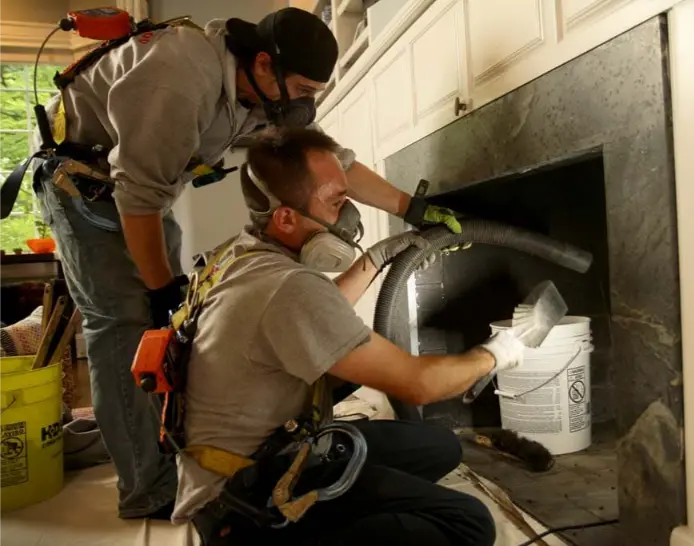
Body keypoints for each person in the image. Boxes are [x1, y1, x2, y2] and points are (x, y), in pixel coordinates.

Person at [32, 8, 461, 520]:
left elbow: (331, 163)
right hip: (83, 185)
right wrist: (162, 289)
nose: (306, 103)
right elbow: (138, 195)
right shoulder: (181, 76)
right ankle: (146, 487)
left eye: (315, 92)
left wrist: (410, 209)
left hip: (140, 191)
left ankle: (161, 447)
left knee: (162, 327)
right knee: (126, 325)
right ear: (263, 63)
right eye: (303, 88)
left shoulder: (266, 96)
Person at [172, 128, 526, 545]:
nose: (348, 216)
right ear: (286, 217)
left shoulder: (243, 256)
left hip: (259, 459)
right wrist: (499, 352)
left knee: (439, 447)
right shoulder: (286, 287)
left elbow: (315, 316)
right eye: (337, 202)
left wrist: (378, 256)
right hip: (250, 504)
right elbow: (419, 384)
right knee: (468, 522)